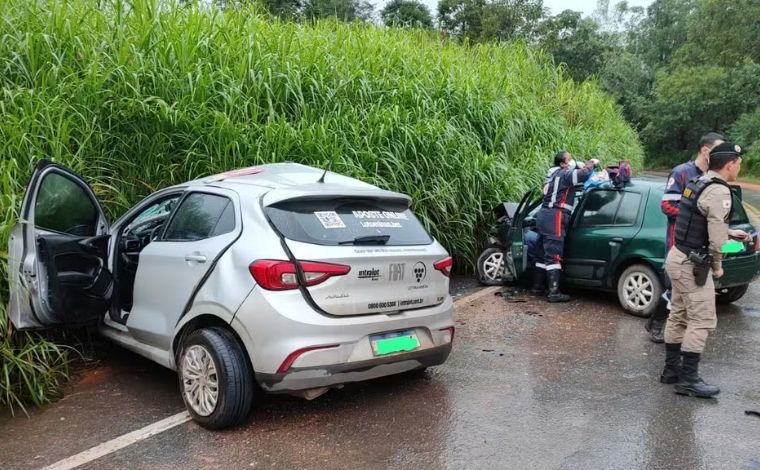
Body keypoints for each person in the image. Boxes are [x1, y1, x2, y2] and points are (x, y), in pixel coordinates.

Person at [660, 142, 751, 397]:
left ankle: (671, 372)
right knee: (702, 321)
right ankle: (688, 379)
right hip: (693, 265)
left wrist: (731, 232)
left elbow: (696, 220)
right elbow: (718, 244)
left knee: (678, 315)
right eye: (739, 163)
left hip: (677, 257)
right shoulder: (720, 193)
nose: (739, 167)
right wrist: (720, 264)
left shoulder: (697, 182)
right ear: (730, 164)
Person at [645, 132, 725, 343]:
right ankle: (657, 323)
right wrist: (695, 216)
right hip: (678, 242)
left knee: (687, 290)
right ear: (705, 151)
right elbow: (667, 205)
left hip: (700, 244)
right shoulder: (682, 172)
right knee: (675, 287)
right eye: (718, 150)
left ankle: (675, 328)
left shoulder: (711, 177)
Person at [532, 151, 598, 302]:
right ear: (562, 164)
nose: (571, 161)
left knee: (541, 253)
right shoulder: (565, 175)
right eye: (569, 159)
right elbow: (584, 175)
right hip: (555, 215)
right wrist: (591, 163)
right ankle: (554, 292)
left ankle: (537, 287)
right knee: (554, 254)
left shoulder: (552, 175)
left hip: (543, 214)